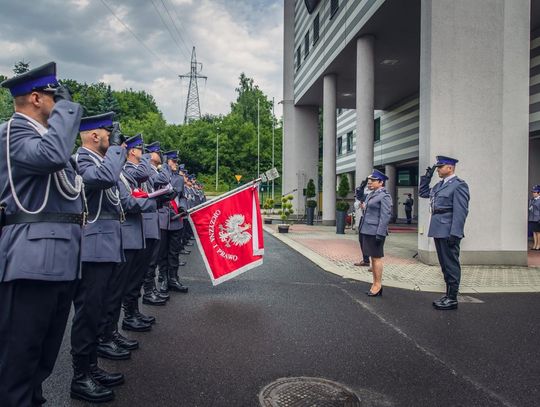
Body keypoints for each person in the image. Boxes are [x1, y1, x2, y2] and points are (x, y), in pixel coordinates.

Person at [0, 62, 84, 406]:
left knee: (42, 359)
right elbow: (52, 156)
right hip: (30, 261)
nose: (59, 101)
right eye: (54, 95)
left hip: (58, 261)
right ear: (36, 98)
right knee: (18, 362)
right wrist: (66, 110)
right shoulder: (12, 132)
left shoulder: (46, 137)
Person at [70, 113, 126, 403]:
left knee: (98, 311)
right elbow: (105, 179)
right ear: (94, 136)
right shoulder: (82, 161)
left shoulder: (100, 162)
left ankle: (91, 368)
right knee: (87, 314)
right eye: (108, 133)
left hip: (105, 246)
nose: (112, 137)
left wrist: (114, 152)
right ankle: (80, 377)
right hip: (92, 249)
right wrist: (117, 151)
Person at [419, 155, 470, 310]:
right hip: (438, 229)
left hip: (448, 231)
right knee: (444, 265)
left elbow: (461, 212)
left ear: (450, 168)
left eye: (440, 167)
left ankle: (453, 298)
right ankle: (448, 294)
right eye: (437, 167)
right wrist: (426, 178)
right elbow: (423, 192)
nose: (438, 170)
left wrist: (456, 233)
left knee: (451, 264)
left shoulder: (459, 185)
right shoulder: (440, 185)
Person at [358, 170, 392, 296]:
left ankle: (378, 285)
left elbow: (385, 216)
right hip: (367, 230)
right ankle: (375, 283)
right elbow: (360, 196)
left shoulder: (384, 196)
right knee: (373, 258)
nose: (370, 183)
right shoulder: (372, 194)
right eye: (369, 181)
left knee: (376, 258)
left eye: (373, 181)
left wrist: (380, 233)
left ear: (381, 182)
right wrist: (361, 186)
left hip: (376, 232)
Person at [354, 177, 371, 267]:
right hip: (363, 217)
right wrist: (360, 203)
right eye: (368, 183)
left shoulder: (377, 193)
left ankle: (374, 263)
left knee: (371, 241)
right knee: (362, 239)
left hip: (372, 219)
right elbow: (356, 205)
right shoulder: (362, 191)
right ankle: (366, 260)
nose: (370, 184)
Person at [528, 185, 540, 250]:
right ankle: (535, 244)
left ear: (539, 193)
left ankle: (538, 245)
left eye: (535, 192)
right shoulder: (531, 200)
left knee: (538, 232)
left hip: (538, 219)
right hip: (532, 218)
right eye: (533, 192)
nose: (533, 193)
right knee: (534, 232)